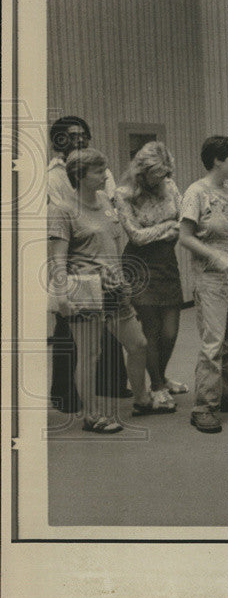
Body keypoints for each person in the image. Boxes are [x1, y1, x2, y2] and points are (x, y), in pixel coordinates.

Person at [47, 149, 151, 433]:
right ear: (79, 175)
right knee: (90, 353)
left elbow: (112, 243)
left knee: (138, 344)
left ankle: (142, 398)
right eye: (98, 171)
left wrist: (121, 275)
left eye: (104, 169)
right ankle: (91, 416)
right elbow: (57, 258)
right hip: (85, 288)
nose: (105, 174)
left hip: (114, 287)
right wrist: (62, 295)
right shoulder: (62, 209)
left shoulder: (105, 200)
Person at [47, 115, 129, 412]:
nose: (78, 139)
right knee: (71, 334)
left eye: (83, 134)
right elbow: (61, 215)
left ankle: (112, 385)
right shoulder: (54, 174)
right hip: (73, 257)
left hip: (101, 255)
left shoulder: (99, 166)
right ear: (58, 141)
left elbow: (110, 200)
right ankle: (66, 395)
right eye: (70, 135)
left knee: (107, 331)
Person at [179, 136, 228, 434]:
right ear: (217, 161)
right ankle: (204, 406)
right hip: (211, 276)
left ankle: (227, 395)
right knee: (213, 340)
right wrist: (215, 256)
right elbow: (185, 237)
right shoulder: (195, 193)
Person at [114, 141, 186, 410]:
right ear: (143, 172)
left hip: (167, 263)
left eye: (168, 173)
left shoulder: (171, 185)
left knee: (171, 331)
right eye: (160, 174)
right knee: (152, 331)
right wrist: (168, 226)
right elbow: (136, 236)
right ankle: (156, 386)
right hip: (139, 266)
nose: (165, 179)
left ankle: (162, 377)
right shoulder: (123, 194)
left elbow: (185, 221)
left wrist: (167, 229)